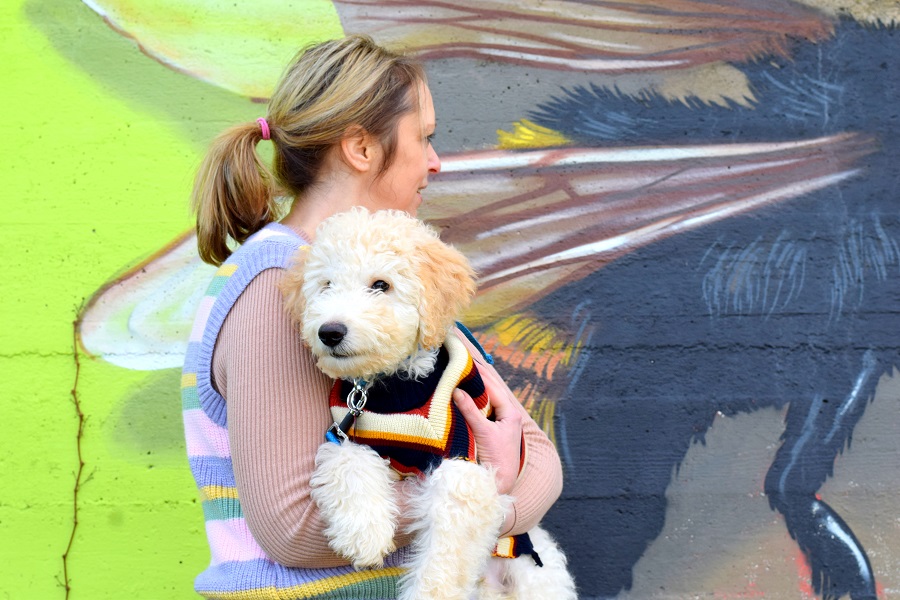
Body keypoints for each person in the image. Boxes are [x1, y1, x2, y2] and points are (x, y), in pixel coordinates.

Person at [182, 34, 564, 599]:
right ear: (361, 148)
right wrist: (478, 495)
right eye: (424, 138)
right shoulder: (276, 288)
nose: (435, 162)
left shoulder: (392, 282)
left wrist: (491, 503)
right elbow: (291, 530)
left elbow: (542, 461)